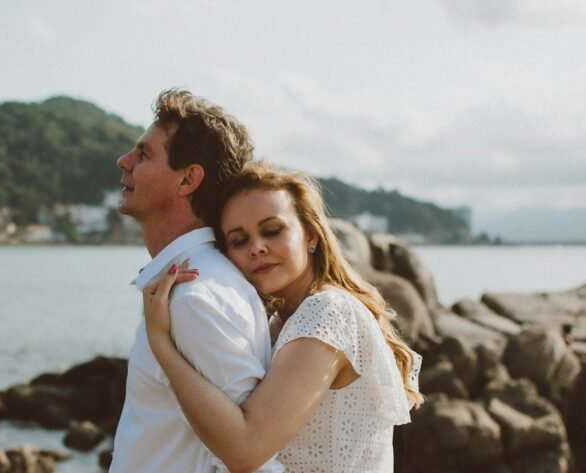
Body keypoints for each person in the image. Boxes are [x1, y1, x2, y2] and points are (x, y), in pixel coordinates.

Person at [144, 162, 423, 472]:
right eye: (239, 240)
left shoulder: (329, 312)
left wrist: (161, 346)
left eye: (272, 231)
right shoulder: (281, 321)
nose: (257, 248)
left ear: (311, 236)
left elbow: (245, 450)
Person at [109, 90, 283, 473]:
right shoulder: (191, 285)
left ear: (188, 178)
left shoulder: (194, 297)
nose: (124, 162)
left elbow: (253, 458)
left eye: (144, 155)